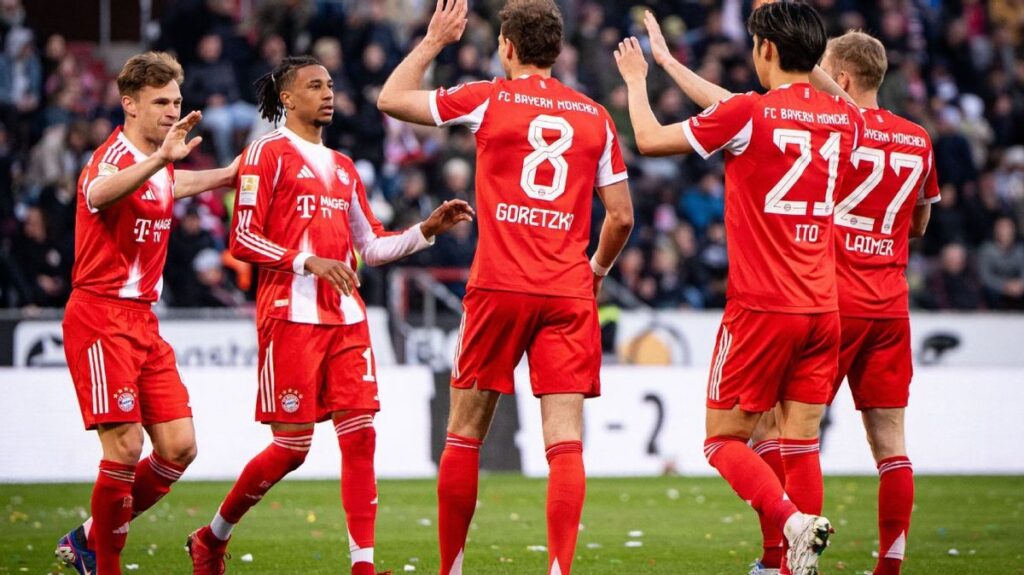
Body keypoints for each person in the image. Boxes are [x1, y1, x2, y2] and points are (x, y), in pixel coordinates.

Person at [185, 55, 473, 575]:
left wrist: (426, 229)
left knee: (360, 436)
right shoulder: (264, 155)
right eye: (314, 85)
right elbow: (242, 238)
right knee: (292, 448)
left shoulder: (343, 167)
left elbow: (373, 247)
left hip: (346, 319)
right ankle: (211, 537)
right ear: (287, 98)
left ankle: (362, 565)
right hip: (289, 315)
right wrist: (306, 260)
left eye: (331, 85)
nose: (327, 93)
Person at [377, 1, 634, 573]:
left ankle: (451, 568)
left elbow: (391, 98)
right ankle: (560, 569)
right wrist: (592, 274)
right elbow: (620, 218)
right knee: (564, 440)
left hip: (499, 284)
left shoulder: (490, 98)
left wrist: (433, 42)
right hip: (567, 290)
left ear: (508, 48)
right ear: (558, 51)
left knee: (465, 431)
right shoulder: (595, 116)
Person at [615, 4, 866, 574]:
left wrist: (638, 80)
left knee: (722, 440)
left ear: (767, 52)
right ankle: (787, 565)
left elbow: (650, 139)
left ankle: (792, 524)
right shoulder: (843, 120)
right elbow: (830, 103)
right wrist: (672, 63)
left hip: (761, 308)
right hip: (822, 308)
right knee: (798, 442)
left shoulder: (750, 113)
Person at [54, 51, 239, 575]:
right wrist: (161, 160)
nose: (171, 111)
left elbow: (169, 185)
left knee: (179, 447)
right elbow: (97, 192)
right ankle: (104, 564)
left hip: (142, 320)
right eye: (160, 102)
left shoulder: (159, 162)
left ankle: (91, 536)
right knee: (127, 445)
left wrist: (226, 174)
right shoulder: (113, 157)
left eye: (177, 100)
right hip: (100, 316)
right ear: (129, 104)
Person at [815, 31, 940, 575]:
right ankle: (890, 565)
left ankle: (788, 558)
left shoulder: (836, 129)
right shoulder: (918, 139)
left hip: (832, 301)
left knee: (786, 431)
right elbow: (919, 222)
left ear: (841, 78)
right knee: (891, 444)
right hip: (889, 305)